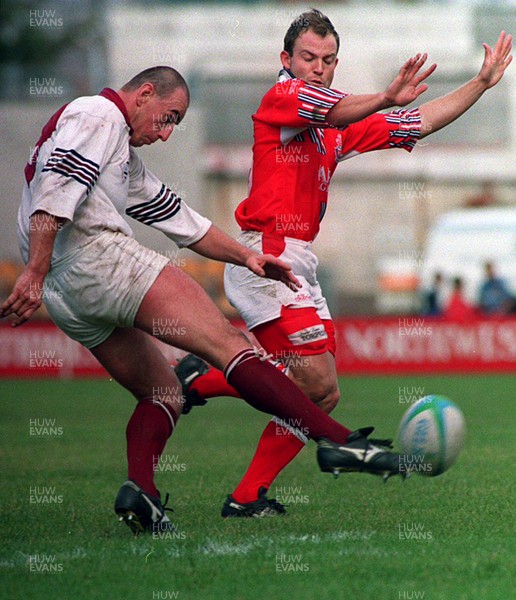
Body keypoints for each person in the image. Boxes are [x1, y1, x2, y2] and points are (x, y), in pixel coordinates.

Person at [0, 66, 407, 536]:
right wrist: (31, 271)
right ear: (145, 93)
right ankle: (337, 442)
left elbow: (181, 220)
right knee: (231, 347)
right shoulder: (99, 113)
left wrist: (245, 256)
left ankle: (143, 493)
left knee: (163, 392)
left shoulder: (118, 153)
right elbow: (57, 188)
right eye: (167, 117)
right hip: (96, 259)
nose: (166, 133)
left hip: (66, 293)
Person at [174, 10, 513, 518]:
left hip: (297, 262)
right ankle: (203, 383)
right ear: (286, 61)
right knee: (310, 380)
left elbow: (415, 121)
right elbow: (335, 109)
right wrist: (382, 97)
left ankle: (243, 489)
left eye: (328, 60)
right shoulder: (283, 97)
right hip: (264, 257)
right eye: (308, 58)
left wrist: (480, 85)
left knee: (321, 394)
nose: (318, 67)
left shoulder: (334, 125)